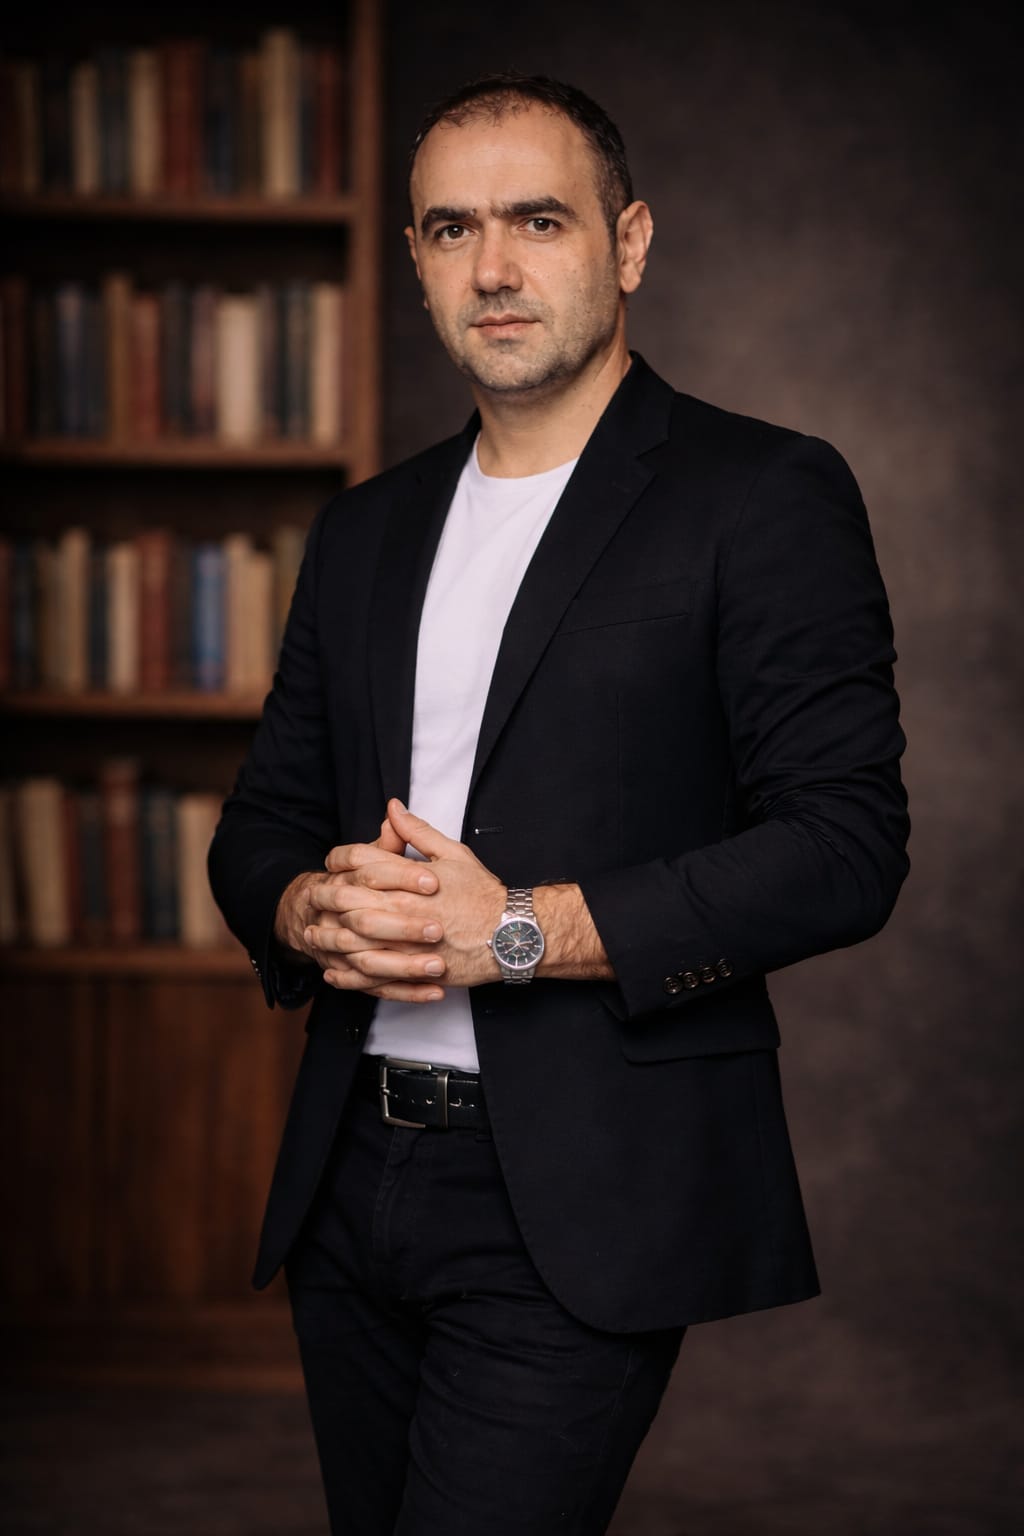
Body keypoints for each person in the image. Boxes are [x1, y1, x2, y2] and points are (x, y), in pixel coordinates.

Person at [209, 72, 909, 1536]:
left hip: (580, 1192)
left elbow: (844, 849)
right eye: (451, 229)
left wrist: (518, 931)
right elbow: (259, 825)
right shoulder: (363, 530)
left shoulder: (763, 493)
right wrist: (307, 905)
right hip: (349, 1175)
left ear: (629, 243)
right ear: (416, 263)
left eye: (538, 219)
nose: (493, 267)